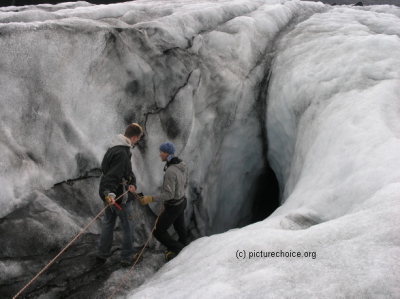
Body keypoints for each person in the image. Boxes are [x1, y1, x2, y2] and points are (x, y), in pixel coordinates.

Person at [97, 123, 143, 267]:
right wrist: (110, 193)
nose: (137, 141)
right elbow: (113, 175)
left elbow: (125, 172)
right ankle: (127, 257)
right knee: (128, 225)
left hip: (110, 194)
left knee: (108, 223)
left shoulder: (114, 149)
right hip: (118, 197)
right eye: (138, 139)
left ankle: (102, 254)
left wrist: (132, 182)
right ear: (134, 137)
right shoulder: (122, 153)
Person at [139, 142, 189, 261]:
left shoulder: (170, 171)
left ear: (166, 153)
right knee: (180, 229)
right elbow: (186, 183)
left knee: (158, 231)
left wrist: (150, 199)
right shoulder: (183, 165)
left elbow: (169, 194)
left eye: (161, 152)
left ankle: (179, 250)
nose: (159, 154)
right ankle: (185, 250)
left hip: (174, 206)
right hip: (182, 202)